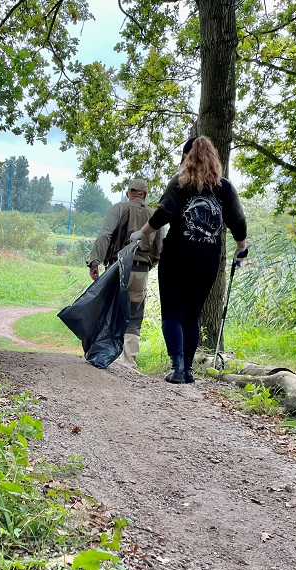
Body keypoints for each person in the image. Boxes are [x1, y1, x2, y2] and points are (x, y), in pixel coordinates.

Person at [132, 136, 247, 384]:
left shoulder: (179, 183)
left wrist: (140, 234)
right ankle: (188, 369)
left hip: (177, 258)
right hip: (207, 261)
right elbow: (237, 220)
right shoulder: (225, 188)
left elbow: (164, 212)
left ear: (186, 157)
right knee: (191, 316)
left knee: (172, 314)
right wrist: (241, 248)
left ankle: (177, 369)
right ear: (214, 159)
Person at [87, 179, 163, 367]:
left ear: (128, 193)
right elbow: (160, 248)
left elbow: (105, 235)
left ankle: (104, 357)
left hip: (117, 268)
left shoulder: (119, 209)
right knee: (134, 316)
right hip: (141, 271)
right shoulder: (154, 215)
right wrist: (148, 265)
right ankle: (129, 363)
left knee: (110, 311)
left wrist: (94, 262)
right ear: (144, 195)